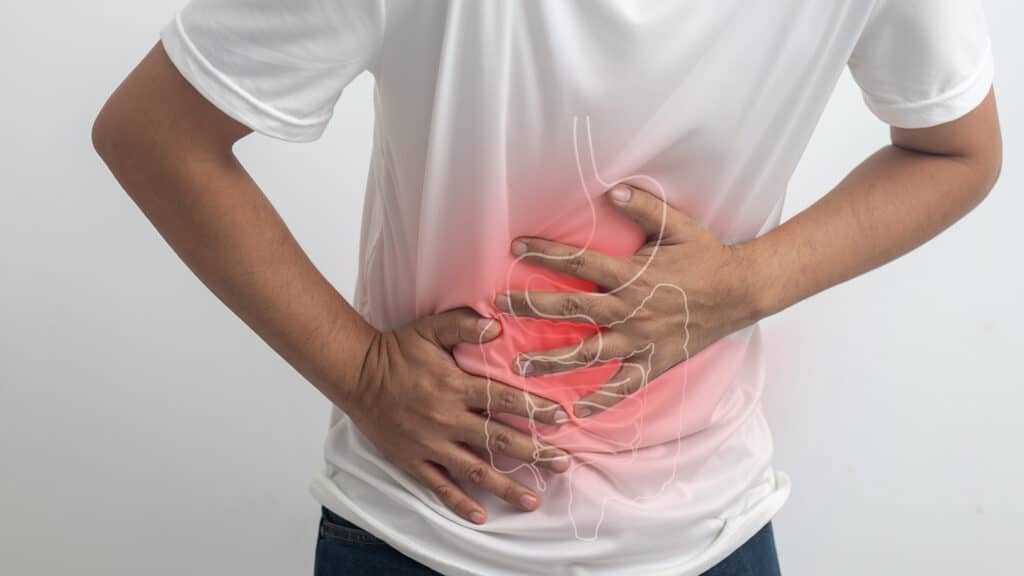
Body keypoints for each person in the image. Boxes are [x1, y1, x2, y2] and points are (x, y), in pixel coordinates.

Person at [92, 0, 1002, 574]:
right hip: (427, 532)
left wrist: (744, 284)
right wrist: (363, 374)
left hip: (708, 532)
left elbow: (958, 151)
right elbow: (156, 133)